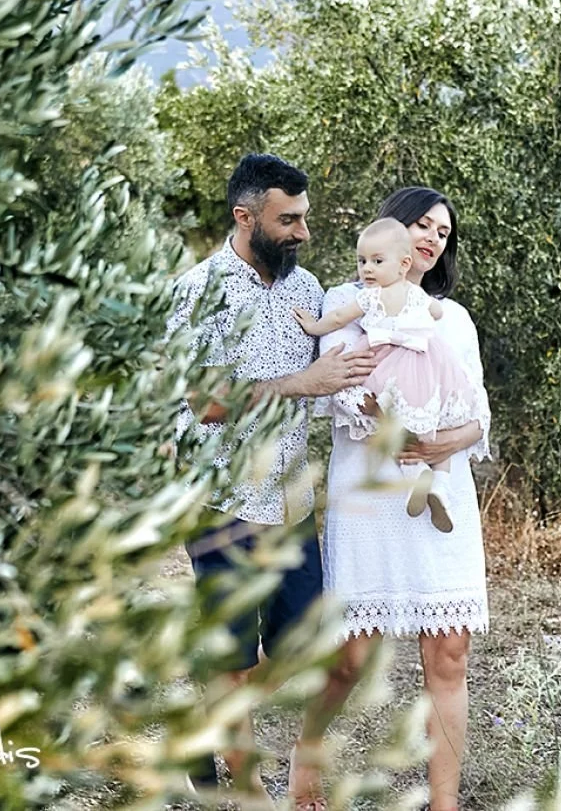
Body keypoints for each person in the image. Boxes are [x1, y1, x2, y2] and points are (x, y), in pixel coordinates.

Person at [164, 153, 377, 806]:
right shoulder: (197, 290)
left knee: (300, 651)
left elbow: (328, 386)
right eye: (289, 220)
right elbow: (204, 400)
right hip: (222, 503)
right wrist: (299, 384)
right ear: (245, 216)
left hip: (289, 505)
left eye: (305, 219)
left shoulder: (306, 290)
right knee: (231, 657)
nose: (303, 233)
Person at [312, 187, 491, 811]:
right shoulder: (346, 301)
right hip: (368, 497)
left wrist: (446, 443)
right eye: (422, 224)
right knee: (350, 657)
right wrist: (386, 416)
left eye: (443, 233)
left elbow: (479, 418)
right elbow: (332, 393)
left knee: (449, 653)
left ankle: (445, 806)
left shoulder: (453, 318)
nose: (432, 239)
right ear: (390, 226)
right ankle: (307, 762)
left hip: (440, 493)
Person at [292, 218, 481, 533]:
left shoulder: (371, 297)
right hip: (428, 366)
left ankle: (418, 476)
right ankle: (440, 485)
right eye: (362, 261)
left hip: (389, 366)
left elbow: (338, 318)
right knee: (432, 423)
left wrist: (313, 326)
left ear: (403, 264)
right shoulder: (417, 296)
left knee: (398, 424)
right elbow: (437, 314)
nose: (367, 269)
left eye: (377, 262)